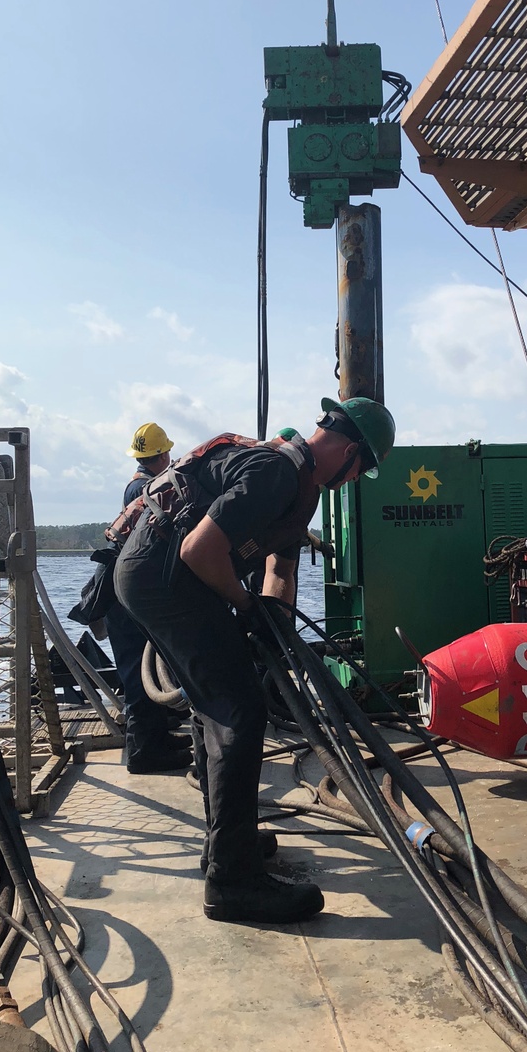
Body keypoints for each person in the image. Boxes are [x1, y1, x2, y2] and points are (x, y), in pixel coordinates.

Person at [113, 396, 396, 924]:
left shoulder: (302, 490)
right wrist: (246, 608)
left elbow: (279, 575)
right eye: (363, 470)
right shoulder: (275, 471)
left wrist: (277, 635)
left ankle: (228, 843)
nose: (358, 479)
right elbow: (199, 550)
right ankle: (233, 882)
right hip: (164, 578)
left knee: (219, 706)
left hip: (159, 578)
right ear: (351, 450)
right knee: (239, 713)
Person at [107, 423, 194, 774]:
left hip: (127, 588)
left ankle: (157, 737)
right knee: (137, 674)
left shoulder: (135, 486)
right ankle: (143, 752)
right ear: (162, 456)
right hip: (128, 594)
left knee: (149, 668)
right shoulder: (149, 489)